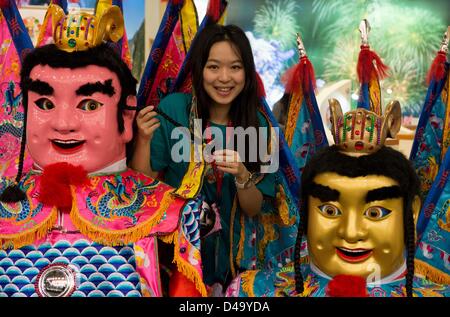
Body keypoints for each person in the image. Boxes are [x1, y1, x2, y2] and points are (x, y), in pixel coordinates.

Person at [0, 2, 205, 297]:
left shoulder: (169, 216)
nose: (63, 123)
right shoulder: (6, 208)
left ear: (126, 117)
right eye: (45, 104)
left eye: (90, 105)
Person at [226, 100, 450, 297]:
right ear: (306, 211)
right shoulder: (254, 292)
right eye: (330, 211)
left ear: (411, 213)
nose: (351, 233)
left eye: (375, 213)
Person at [130, 24, 278, 293]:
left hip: (236, 262)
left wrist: (243, 176)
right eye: (213, 67)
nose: (224, 78)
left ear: (248, 72)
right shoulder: (173, 109)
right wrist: (142, 139)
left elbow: (254, 209)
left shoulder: (260, 125)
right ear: (200, 69)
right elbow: (143, 184)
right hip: (176, 256)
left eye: (235, 67)